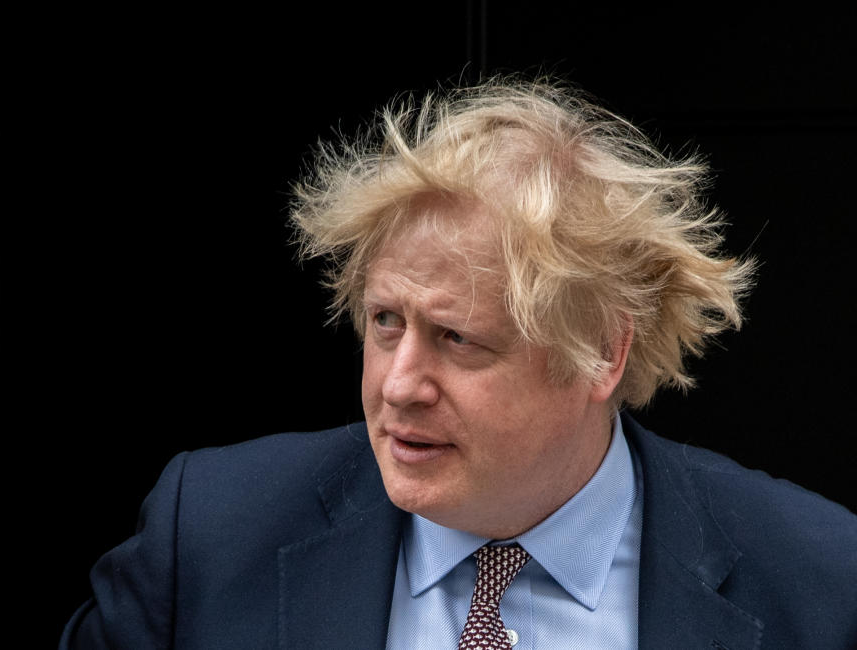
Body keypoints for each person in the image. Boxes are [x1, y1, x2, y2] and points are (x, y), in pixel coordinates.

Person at [60, 78, 857, 649]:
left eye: (457, 339)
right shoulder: (206, 540)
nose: (399, 384)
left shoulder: (820, 583)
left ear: (604, 353)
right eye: (384, 322)